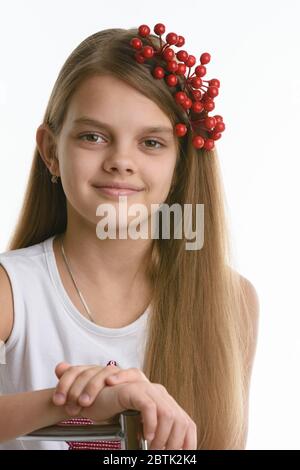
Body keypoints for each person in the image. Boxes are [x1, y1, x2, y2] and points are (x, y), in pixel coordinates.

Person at [0, 23, 259, 450]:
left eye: (151, 143)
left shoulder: (232, 302)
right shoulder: (13, 291)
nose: (121, 160)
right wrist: (70, 403)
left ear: (181, 166)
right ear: (51, 151)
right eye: (93, 137)